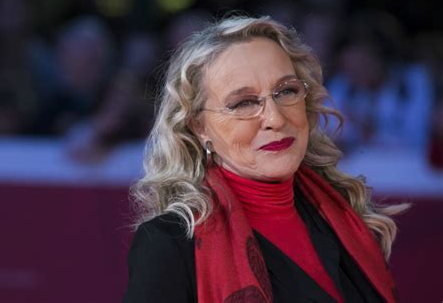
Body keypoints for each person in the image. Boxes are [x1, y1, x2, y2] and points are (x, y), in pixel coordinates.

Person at [123, 16, 409, 302]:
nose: (275, 118)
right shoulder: (169, 244)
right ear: (199, 127)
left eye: (286, 91)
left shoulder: (346, 216)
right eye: (243, 103)